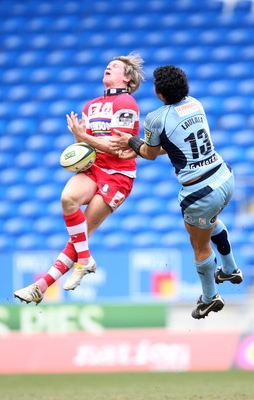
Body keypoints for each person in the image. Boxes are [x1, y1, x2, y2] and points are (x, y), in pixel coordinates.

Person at [110, 65, 243, 319]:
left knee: (199, 245)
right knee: (211, 222)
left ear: (159, 94)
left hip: (200, 192)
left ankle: (209, 298)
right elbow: (174, 144)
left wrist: (130, 141)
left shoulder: (156, 118)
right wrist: (142, 146)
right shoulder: (195, 104)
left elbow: (149, 153)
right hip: (224, 177)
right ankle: (230, 268)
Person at [14, 53, 144, 305]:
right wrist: (78, 140)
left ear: (127, 78)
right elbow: (85, 146)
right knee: (68, 199)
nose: (108, 66)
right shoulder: (90, 106)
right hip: (94, 166)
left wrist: (84, 137)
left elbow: (118, 148)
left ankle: (41, 286)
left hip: (118, 174)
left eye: (115, 66)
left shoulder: (127, 102)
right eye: (108, 64)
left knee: (83, 230)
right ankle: (85, 261)